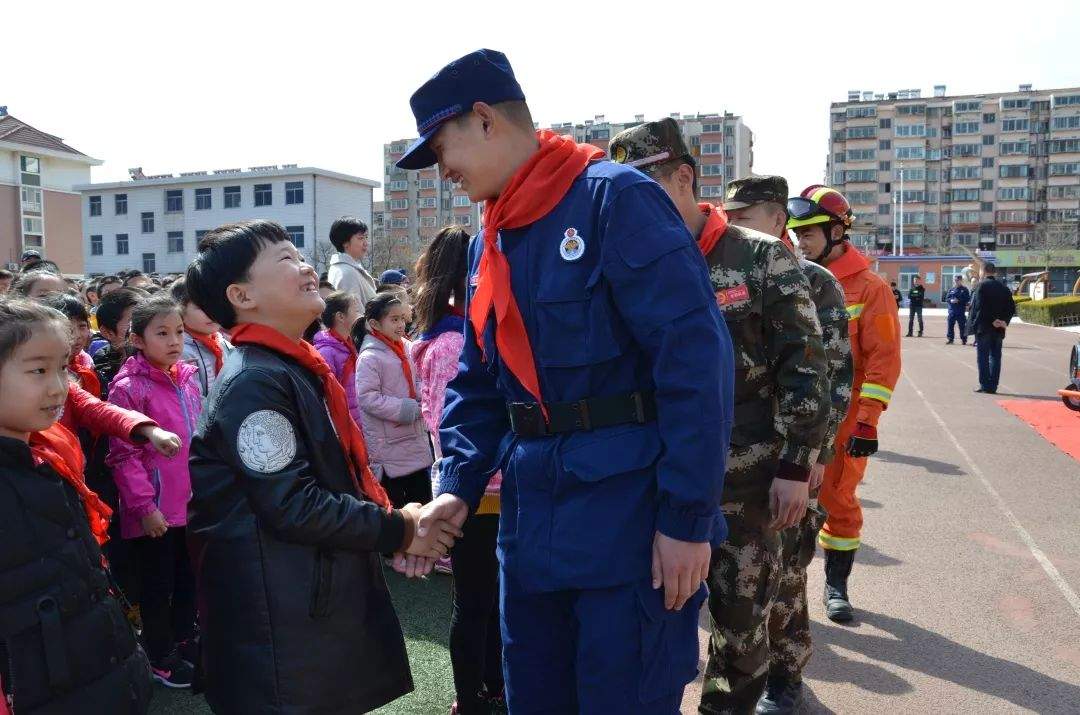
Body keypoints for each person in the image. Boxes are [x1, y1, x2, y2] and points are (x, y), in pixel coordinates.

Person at [407, 50, 734, 713]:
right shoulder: (488, 240)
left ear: (484, 119)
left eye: (442, 147)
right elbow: (478, 384)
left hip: (630, 521)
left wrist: (686, 520)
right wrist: (456, 487)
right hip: (532, 525)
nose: (442, 170)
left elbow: (696, 368)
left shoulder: (615, 200)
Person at [184, 220, 459, 713]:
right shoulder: (255, 382)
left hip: (301, 602)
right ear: (241, 295)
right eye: (285, 260)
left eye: (299, 254)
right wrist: (399, 528)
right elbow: (293, 504)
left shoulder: (289, 367)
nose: (307, 266)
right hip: (279, 618)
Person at [608, 127, 830, 715]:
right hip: (657, 472)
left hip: (748, 475)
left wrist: (796, 463)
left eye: (645, 185)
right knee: (656, 610)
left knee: (740, 617)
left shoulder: (758, 256)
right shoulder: (634, 263)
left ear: (683, 179)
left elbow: (805, 367)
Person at [715, 176, 853, 714]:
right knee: (745, 578)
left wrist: (814, 456)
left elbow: (836, 377)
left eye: (743, 217)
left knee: (788, 572)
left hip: (794, 459)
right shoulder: (729, 271)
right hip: (738, 457)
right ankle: (748, 673)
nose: (733, 227)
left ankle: (786, 675)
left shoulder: (817, 284)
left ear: (777, 220)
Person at [0, 298, 154, 714]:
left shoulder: (47, 454)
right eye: (38, 370)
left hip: (93, 665)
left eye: (62, 368)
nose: (59, 387)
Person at [787, 185, 901, 623]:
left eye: (810, 232)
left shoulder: (870, 289)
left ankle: (836, 587)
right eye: (797, 233)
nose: (801, 242)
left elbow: (883, 360)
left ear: (837, 230)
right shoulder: (791, 276)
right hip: (795, 414)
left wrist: (867, 423)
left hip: (845, 419)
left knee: (837, 500)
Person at [412, 225, 506, 713]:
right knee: (475, 602)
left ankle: (490, 684)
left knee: (487, 600)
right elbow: (457, 422)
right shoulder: (452, 343)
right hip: (479, 487)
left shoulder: (441, 335)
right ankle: (470, 696)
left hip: (475, 483)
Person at [105, 295, 202, 688]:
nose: (174, 340)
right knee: (157, 585)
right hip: (155, 512)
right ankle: (159, 655)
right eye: (162, 333)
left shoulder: (188, 377)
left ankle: (183, 638)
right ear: (138, 340)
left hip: (190, 504)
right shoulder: (128, 388)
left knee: (187, 578)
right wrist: (145, 506)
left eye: (178, 331)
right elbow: (123, 455)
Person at [355, 292, 433, 507]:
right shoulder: (369, 357)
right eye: (394, 319)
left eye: (402, 318)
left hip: (413, 438)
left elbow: (420, 378)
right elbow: (368, 398)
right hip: (389, 444)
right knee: (398, 508)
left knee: (423, 503)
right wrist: (409, 409)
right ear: (374, 324)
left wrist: (422, 397)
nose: (401, 325)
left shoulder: (406, 347)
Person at [170, 277, 232, 398]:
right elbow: (192, 401)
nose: (212, 312)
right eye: (201, 307)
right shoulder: (178, 350)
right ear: (179, 310)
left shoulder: (222, 342)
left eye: (218, 304)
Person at [313, 291, 364, 427]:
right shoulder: (326, 351)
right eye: (356, 311)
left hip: (360, 419)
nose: (360, 316)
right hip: (346, 423)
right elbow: (328, 396)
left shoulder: (351, 344)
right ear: (341, 316)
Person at [969, 263, 1016, 394]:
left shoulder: (981, 286)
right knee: (995, 357)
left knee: (983, 357)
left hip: (984, 327)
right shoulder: (1004, 288)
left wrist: (991, 320)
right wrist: (1003, 321)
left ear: (983, 271)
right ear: (994, 272)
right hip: (999, 328)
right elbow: (1011, 308)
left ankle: (984, 385)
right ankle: (993, 386)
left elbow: (979, 307)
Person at [93, 288, 145, 392]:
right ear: (107, 332)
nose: (145, 326)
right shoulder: (100, 371)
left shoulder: (163, 359)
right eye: (135, 321)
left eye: (146, 319)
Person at [327, 217, 379, 307]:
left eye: (366, 237)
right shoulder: (347, 273)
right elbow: (354, 316)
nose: (366, 243)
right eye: (361, 238)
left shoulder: (344, 268)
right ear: (345, 242)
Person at [945, 274, 972, 345]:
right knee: (950, 326)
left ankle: (964, 340)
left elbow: (967, 299)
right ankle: (950, 339)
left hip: (960, 312)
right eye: (955, 280)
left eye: (957, 280)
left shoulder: (964, 289)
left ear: (961, 281)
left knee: (962, 326)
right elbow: (947, 298)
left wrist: (959, 301)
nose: (956, 282)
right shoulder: (951, 289)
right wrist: (951, 300)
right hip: (952, 312)